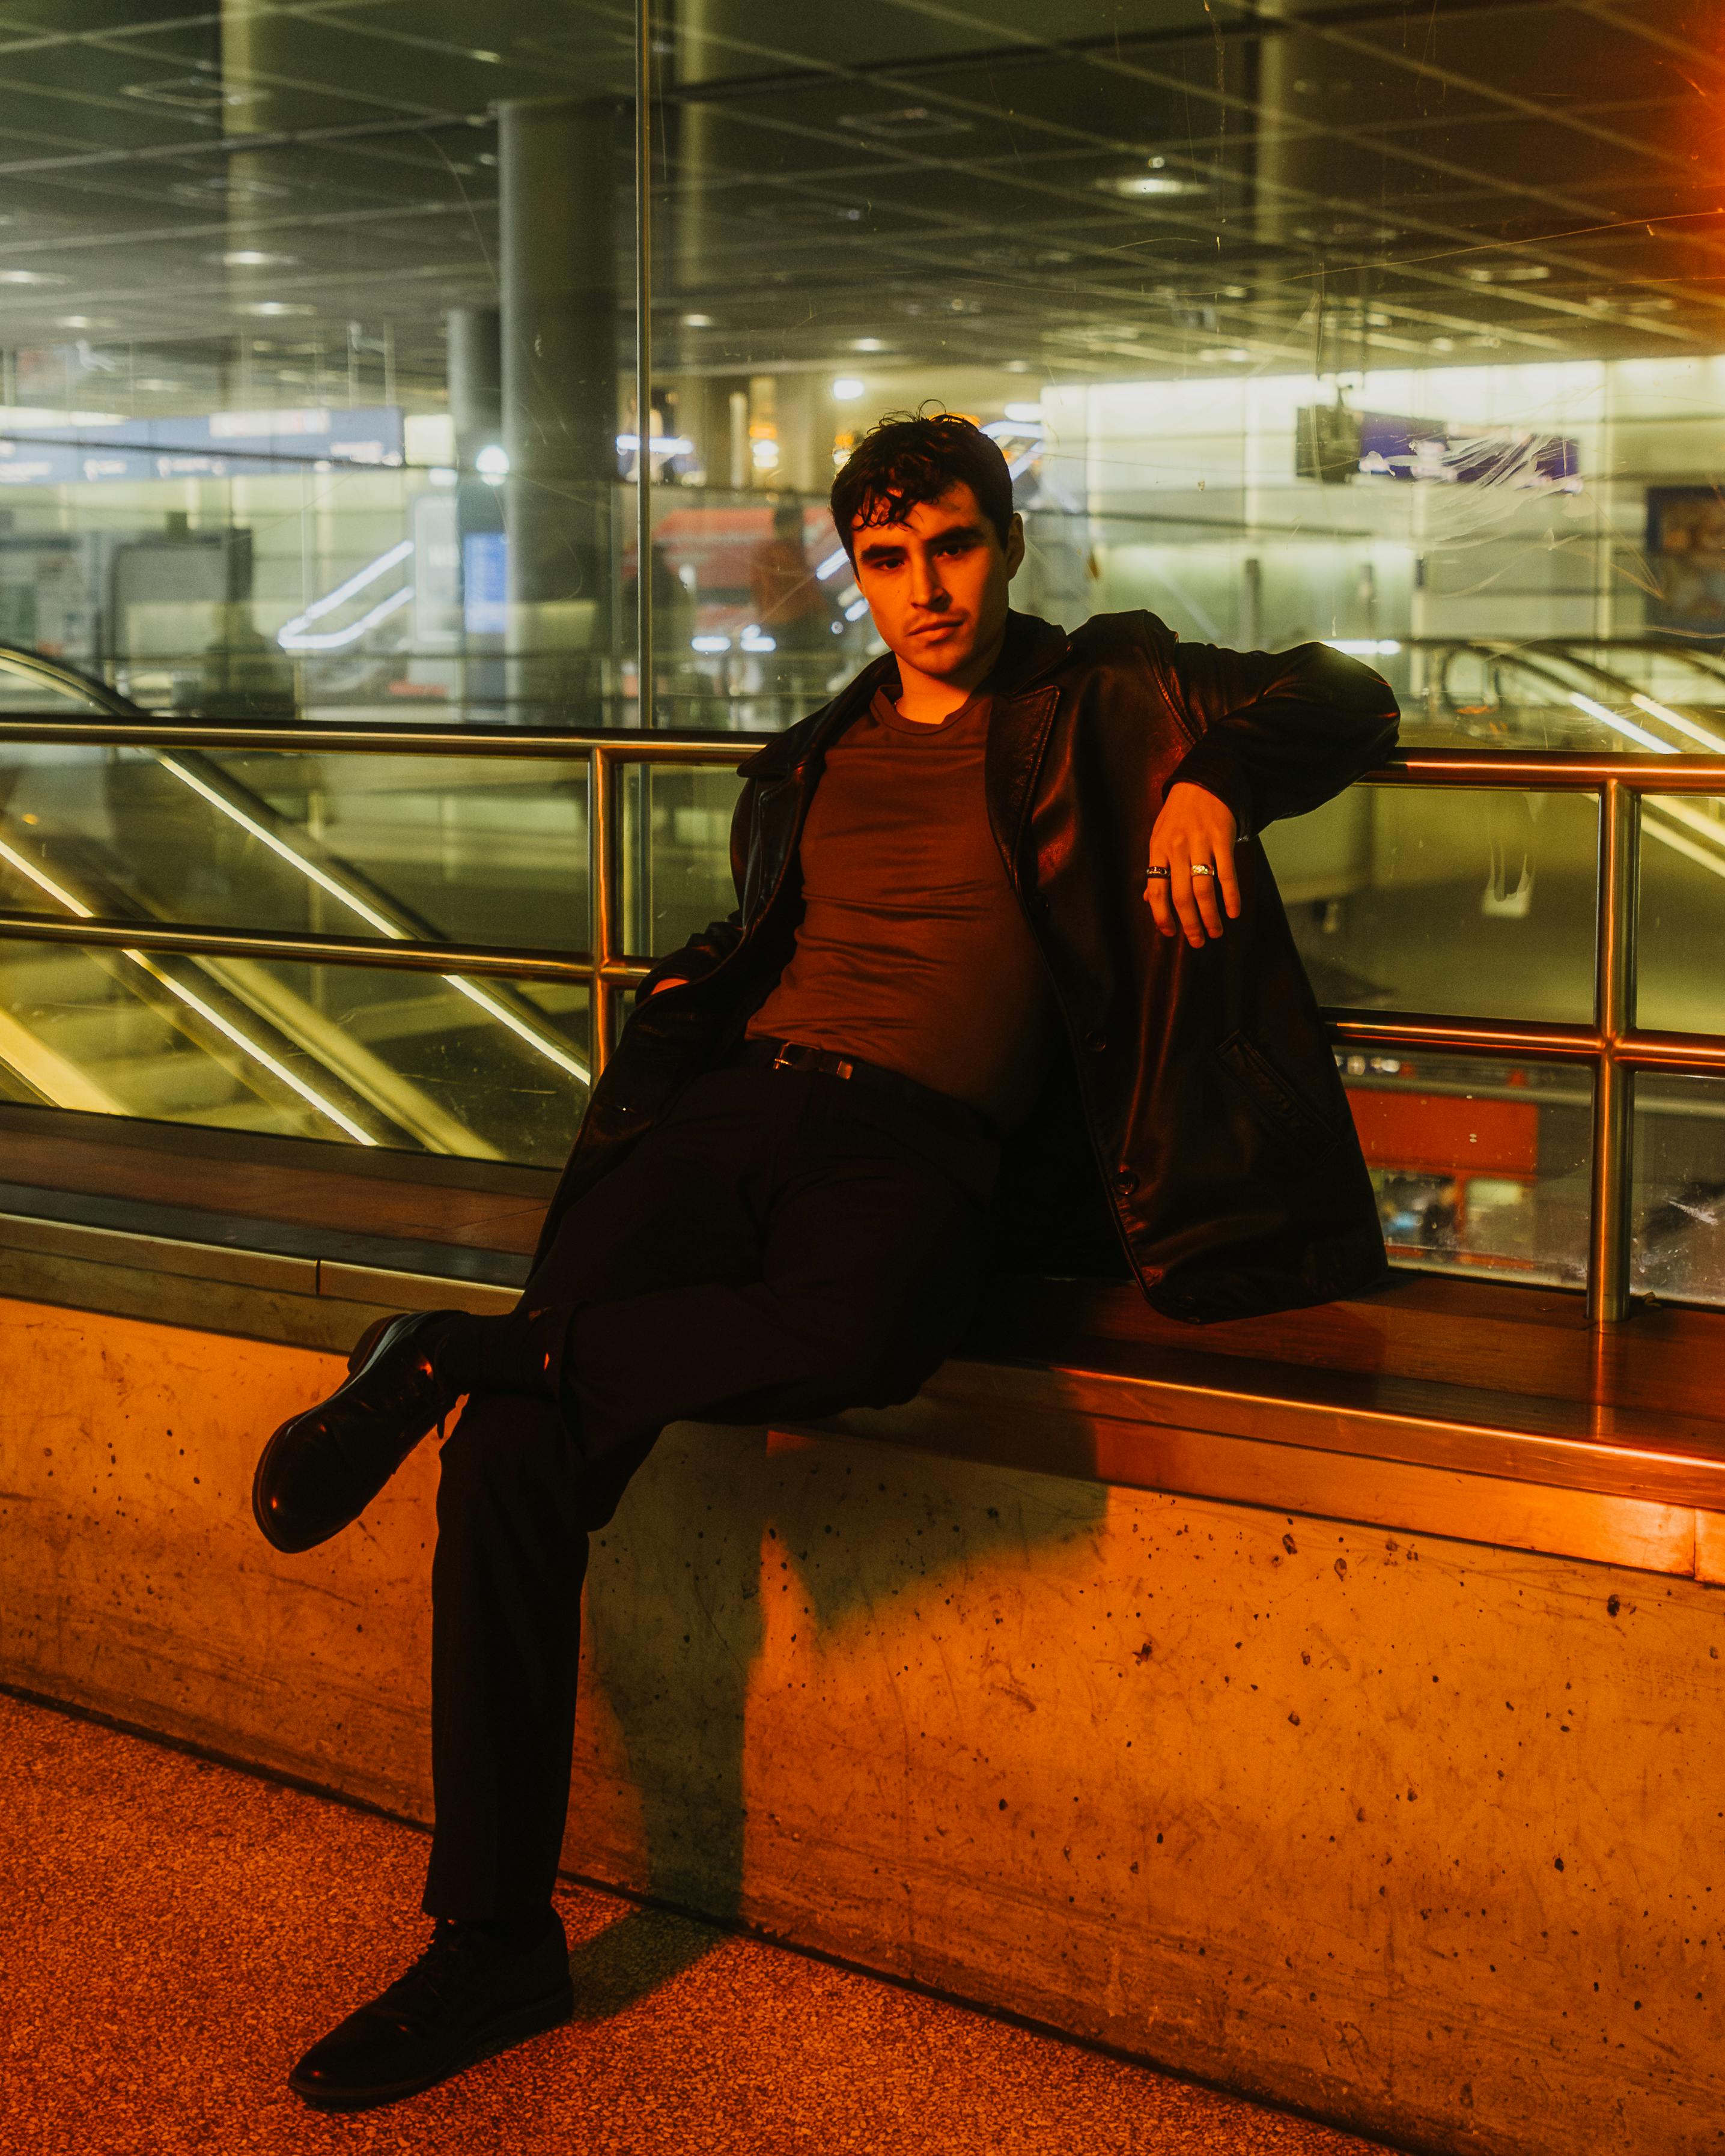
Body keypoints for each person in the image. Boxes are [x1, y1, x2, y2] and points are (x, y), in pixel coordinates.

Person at [252, 411, 1399, 2112]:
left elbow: (1351, 691)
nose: (926, 589)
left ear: (1007, 544)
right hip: (731, 1112)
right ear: (855, 574)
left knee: (865, 1330)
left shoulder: (1109, 691)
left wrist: (1215, 781)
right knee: (511, 1460)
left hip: (911, 1140)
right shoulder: (808, 757)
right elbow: (770, 935)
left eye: (954, 546)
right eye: (888, 559)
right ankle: (492, 1941)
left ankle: (440, 1346)